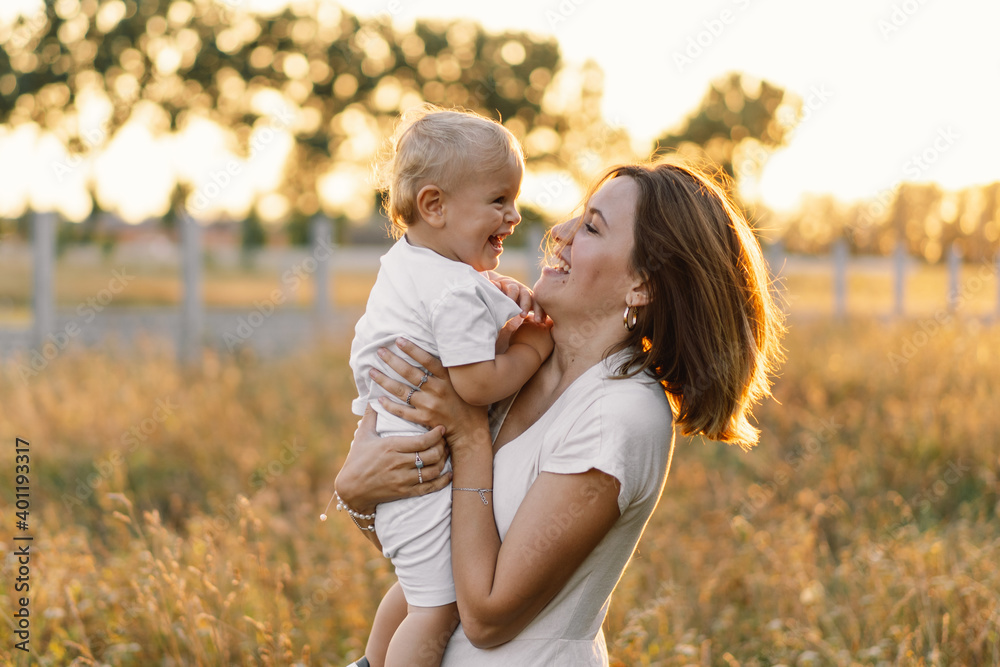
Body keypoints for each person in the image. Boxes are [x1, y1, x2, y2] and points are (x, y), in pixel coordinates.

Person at [334, 159, 786, 666]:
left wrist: (469, 438)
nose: (560, 232)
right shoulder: (505, 368)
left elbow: (485, 616)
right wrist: (358, 497)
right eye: (577, 217)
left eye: (591, 227)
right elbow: (432, 562)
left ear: (643, 285)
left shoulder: (620, 416)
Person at [328, 105, 554, 667]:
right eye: (499, 200)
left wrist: (493, 289)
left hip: (391, 451)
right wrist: (534, 346)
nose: (515, 215)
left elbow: (450, 301)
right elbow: (476, 385)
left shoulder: (410, 261)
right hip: (418, 469)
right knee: (438, 606)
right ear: (435, 205)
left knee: (414, 589)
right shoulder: (454, 290)